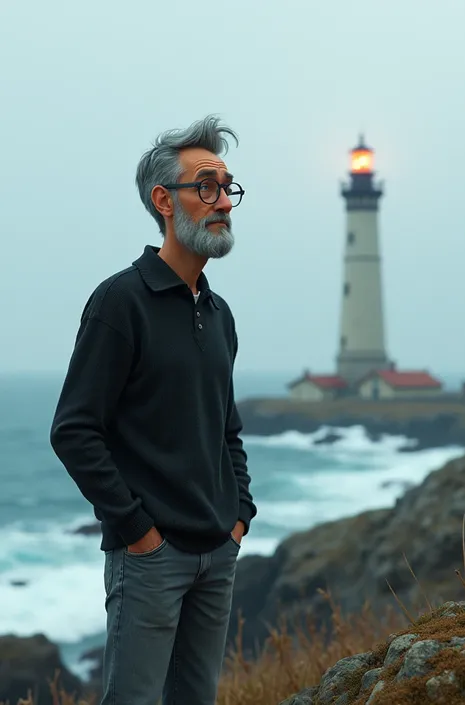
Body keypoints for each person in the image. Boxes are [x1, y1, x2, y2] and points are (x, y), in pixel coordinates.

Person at [50, 115, 257, 705]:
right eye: (207, 187)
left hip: (217, 551)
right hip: (150, 558)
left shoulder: (219, 314)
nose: (224, 202)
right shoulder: (121, 301)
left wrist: (239, 513)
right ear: (164, 201)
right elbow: (73, 430)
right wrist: (137, 532)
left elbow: (226, 428)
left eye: (228, 186)